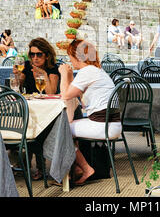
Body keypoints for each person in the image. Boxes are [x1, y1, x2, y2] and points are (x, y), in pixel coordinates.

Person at [58, 39, 121, 185]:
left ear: (78, 57)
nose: (70, 60)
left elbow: (65, 96)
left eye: (70, 56)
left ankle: (85, 168)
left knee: (62, 129)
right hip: (111, 124)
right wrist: (69, 77)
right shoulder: (95, 71)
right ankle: (77, 169)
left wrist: (62, 74)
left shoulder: (87, 72)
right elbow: (77, 95)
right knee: (67, 126)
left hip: (103, 126)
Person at [13, 37, 60, 180]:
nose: (35, 58)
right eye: (32, 54)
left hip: (48, 112)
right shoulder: (27, 66)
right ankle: (23, 164)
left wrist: (44, 75)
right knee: (26, 124)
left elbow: (51, 92)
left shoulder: (52, 69)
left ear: (46, 55)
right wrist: (17, 76)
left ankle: (38, 167)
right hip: (30, 108)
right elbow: (18, 88)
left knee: (36, 128)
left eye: (39, 54)